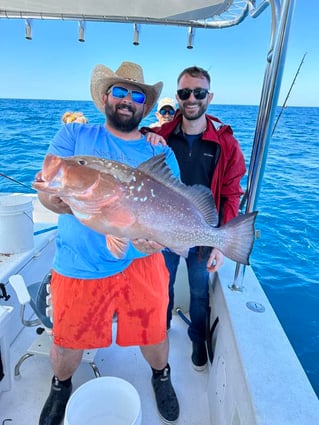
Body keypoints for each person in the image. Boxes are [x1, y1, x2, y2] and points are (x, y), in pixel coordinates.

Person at [36, 61, 180, 425]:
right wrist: (59, 200)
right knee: (67, 340)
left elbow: (173, 209)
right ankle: (60, 385)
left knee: (154, 331)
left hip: (141, 260)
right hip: (79, 260)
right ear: (105, 97)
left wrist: (159, 241)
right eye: (120, 91)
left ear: (145, 106)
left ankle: (161, 376)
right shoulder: (75, 137)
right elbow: (46, 193)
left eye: (136, 95)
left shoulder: (158, 149)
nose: (127, 100)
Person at [144, 66, 246, 371]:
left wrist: (222, 243)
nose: (192, 98)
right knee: (162, 285)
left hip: (203, 234)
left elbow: (232, 194)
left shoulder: (226, 144)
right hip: (163, 234)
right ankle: (160, 329)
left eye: (199, 93)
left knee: (200, 292)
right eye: (185, 92)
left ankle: (198, 338)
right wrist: (146, 135)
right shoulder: (160, 136)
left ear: (209, 97)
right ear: (177, 97)